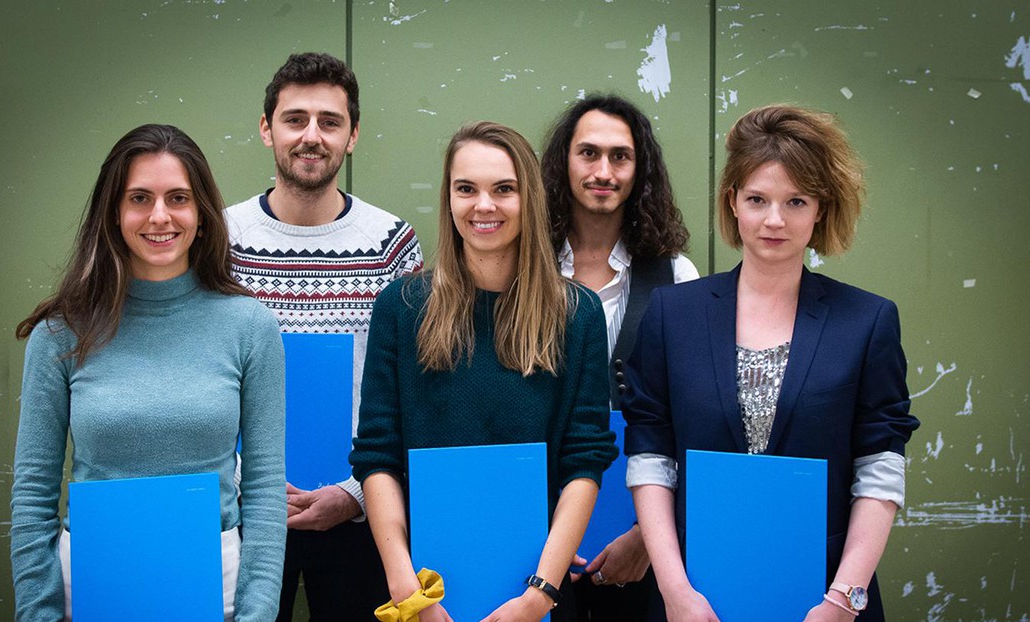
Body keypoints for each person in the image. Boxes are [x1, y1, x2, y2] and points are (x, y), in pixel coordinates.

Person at [622, 104, 920, 621]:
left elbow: (880, 468)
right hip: (693, 593)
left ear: (821, 209)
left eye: (796, 201)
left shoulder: (867, 320)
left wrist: (843, 601)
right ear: (732, 202)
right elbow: (652, 456)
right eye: (757, 199)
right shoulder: (674, 313)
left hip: (825, 597)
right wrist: (674, 591)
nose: (775, 220)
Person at [10, 124, 286, 621]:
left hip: (218, 596)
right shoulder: (60, 333)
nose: (160, 216)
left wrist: (257, 613)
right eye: (140, 198)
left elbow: (265, 491)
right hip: (93, 591)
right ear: (114, 214)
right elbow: (33, 495)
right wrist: (39, 613)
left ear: (201, 214)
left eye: (178, 197)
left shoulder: (249, 325)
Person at [350, 121, 618, 622]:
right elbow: (376, 454)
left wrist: (540, 595)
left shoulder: (577, 315)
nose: (484, 206)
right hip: (420, 590)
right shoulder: (401, 308)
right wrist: (409, 590)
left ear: (529, 199)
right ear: (449, 199)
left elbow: (585, 461)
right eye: (466, 189)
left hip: (533, 591)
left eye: (504, 189)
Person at [224, 51, 423, 621]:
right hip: (244, 509)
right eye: (295, 119)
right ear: (267, 129)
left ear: (352, 135)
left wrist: (356, 495)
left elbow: (410, 387)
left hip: (360, 510)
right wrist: (248, 487)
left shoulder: (392, 243)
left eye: (330, 122)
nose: (312, 136)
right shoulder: (221, 238)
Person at [542, 93, 698, 621]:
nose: (603, 171)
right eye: (588, 153)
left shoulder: (677, 277)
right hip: (535, 532)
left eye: (620, 156)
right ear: (564, 162)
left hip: (642, 536)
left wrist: (647, 538)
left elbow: (692, 421)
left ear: (640, 169)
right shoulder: (522, 271)